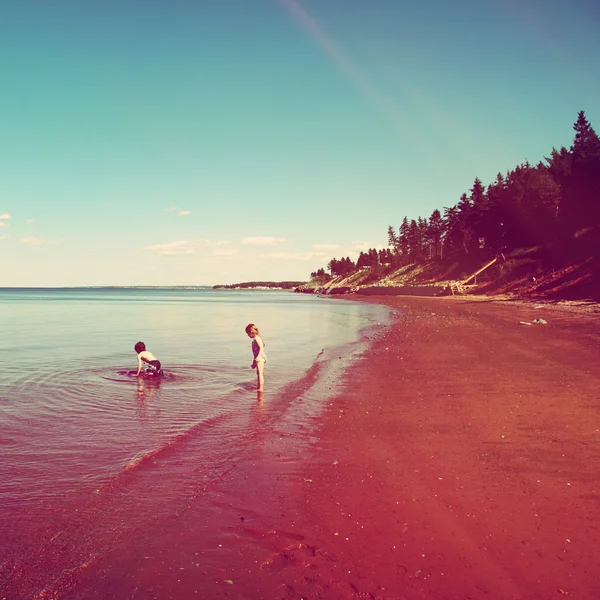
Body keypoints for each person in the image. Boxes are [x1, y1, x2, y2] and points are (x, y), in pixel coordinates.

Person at [245, 323, 266, 391]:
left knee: (260, 374)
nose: (248, 335)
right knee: (258, 373)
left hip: (261, 357)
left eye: (248, 334)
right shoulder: (255, 338)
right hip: (259, 357)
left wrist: (258, 357)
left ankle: (261, 388)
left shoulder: (256, 338)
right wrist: (254, 361)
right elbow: (255, 352)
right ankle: (259, 387)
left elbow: (261, 347)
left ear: (251, 332)